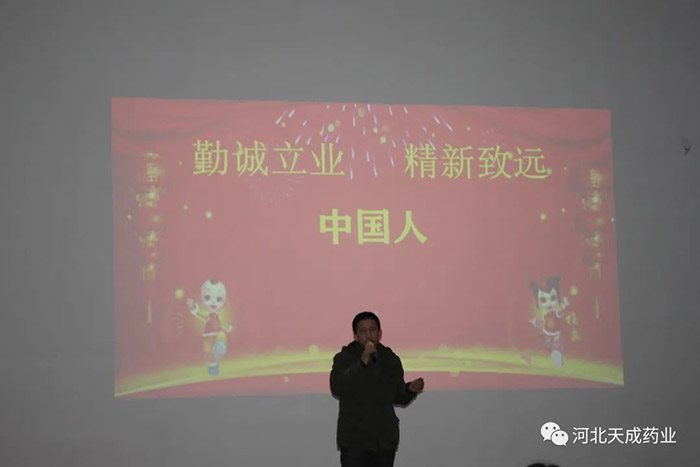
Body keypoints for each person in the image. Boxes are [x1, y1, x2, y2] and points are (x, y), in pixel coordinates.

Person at [330, 311, 424, 467]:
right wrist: (362, 363)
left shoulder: (390, 359)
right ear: (355, 336)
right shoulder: (344, 358)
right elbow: (337, 387)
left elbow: (398, 396)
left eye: (372, 330)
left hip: (384, 441)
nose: (368, 335)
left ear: (380, 334)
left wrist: (409, 389)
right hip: (355, 442)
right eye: (363, 331)